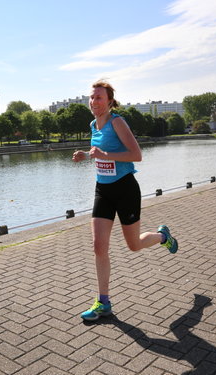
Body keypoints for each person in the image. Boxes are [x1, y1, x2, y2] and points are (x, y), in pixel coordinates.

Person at [72, 80, 178, 321]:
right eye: (92, 97)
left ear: (109, 101)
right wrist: (86, 155)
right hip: (103, 190)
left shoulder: (117, 122)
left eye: (99, 97)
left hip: (125, 189)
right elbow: (98, 153)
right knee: (99, 246)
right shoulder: (93, 124)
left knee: (133, 245)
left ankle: (163, 236)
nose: (94, 101)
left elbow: (136, 155)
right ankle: (103, 302)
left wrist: (104, 154)